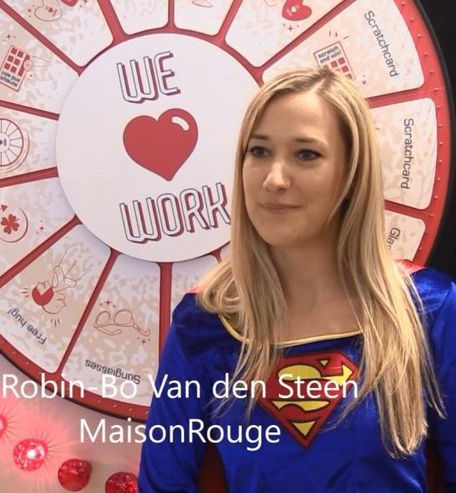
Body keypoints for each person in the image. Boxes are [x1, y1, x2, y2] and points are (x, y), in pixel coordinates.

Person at [138, 67, 456, 492]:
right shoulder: (205, 325)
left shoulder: (428, 309)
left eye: (306, 154)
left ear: (351, 174)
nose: (275, 179)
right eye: (259, 151)